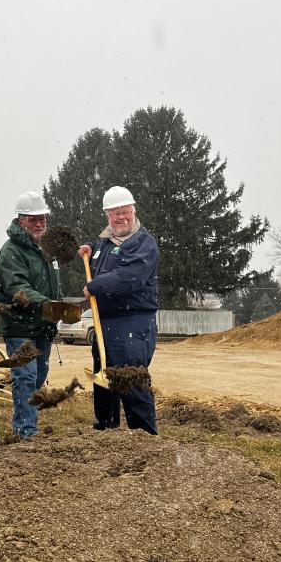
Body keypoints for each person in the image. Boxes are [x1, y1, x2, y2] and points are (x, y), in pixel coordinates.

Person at [79, 185, 159, 434]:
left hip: (132, 321)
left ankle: (145, 435)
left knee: (130, 380)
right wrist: (90, 248)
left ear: (134, 212)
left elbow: (129, 276)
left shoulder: (143, 243)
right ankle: (106, 428)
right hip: (106, 321)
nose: (121, 217)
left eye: (125, 212)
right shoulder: (105, 240)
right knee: (104, 378)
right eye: (115, 214)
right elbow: (108, 256)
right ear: (107, 216)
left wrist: (96, 285)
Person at [0, 191, 60, 438]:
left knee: (38, 376)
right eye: (33, 219)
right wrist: (48, 305)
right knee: (25, 376)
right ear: (21, 220)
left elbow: (52, 285)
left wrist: (55, 307)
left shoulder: (44, 250)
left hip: (42, 325)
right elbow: (17, 289)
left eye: (42, 219)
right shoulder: (11, 251)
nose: (39, 224)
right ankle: (26, 433)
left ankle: (23, 424)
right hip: (19, 325)